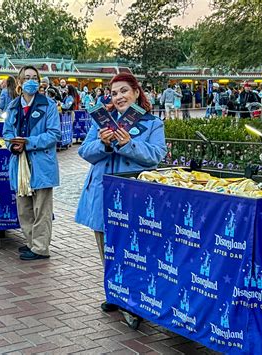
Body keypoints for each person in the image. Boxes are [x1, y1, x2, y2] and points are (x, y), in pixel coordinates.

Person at [75, 72, 166, 312]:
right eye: (114, 93)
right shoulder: (102, 121)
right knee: (106, 246)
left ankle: (135, 298)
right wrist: (103, 144)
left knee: (133, 247)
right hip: (101, 192)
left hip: (133, 196)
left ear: (136, 92)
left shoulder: (152, 123)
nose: (119, 97)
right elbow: (85, 152)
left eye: (124, 91)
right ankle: (114, 293)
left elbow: (156, 155)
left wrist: (129, 144)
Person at [3, 65, 61, 261]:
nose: (31, 80)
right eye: (27, 77)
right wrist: (12, 144)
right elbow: (7, 133)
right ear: (19, 82)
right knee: (24, 207)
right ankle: (31, 242)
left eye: (34, 77)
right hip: (19, 163)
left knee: (41, 208)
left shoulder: (48, 105)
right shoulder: (12, 106)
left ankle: (40, 247)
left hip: (41, 162)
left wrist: (29, 142)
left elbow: (54, 134)